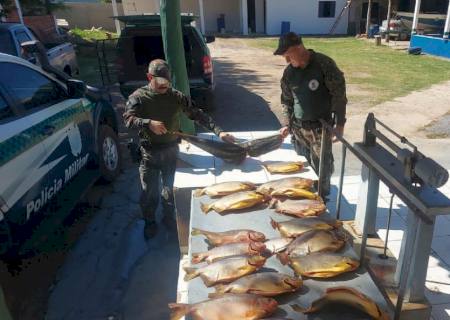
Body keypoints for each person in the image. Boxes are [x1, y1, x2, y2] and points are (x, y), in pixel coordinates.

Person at [123, 59, 235, 239]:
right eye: (159, 82)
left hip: (170, 151)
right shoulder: (138, 97)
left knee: (170, 192)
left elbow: (197, 114)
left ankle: (169, 220)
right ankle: (150, 222)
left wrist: (220, 132)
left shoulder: (175, 96)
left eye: (167, 83)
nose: (164, 87)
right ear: (149, 77)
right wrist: (147, 123)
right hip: (149, 153)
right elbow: (128, 119)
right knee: (149, 194)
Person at [274, 32, 347, 199]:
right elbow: (286, 100)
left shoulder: (323, 64)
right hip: (298, 129)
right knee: (302, 168)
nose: (286, 60)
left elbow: (339, 96)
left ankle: (322, 201)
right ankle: (304, 200)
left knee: (323, 168)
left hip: (320, 129)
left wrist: (340, 125)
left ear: (299, 48)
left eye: (288, 55)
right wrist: (287, 124)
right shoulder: (289, 73)